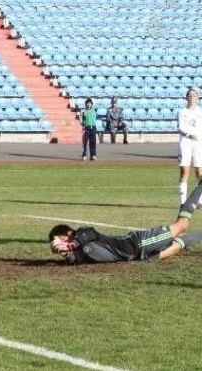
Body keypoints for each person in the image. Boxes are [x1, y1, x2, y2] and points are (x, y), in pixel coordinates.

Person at [48, 180, 202, 264]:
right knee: (175, 246)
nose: (61, 244)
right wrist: (67, 254)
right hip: (137, 256)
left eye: (61, 239)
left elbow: (90, 233)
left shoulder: (82, 232)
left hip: (139, 242)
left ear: (68, 233)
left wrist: (72, 244)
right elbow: (79, 259)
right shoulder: (81, 251)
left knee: (182, 225)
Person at [178, 88, 202, 204]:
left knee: (199, 173)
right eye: (189, 95)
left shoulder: (200, 112)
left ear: (197, 98)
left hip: (198, 144)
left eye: (193, 95)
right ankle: (183, 202)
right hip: (185, 143)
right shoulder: (182, 112)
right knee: (184, 172)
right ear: (186, 98)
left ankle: (199, 201)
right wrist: (189, 135)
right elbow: (180, 128)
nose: (191, 97)